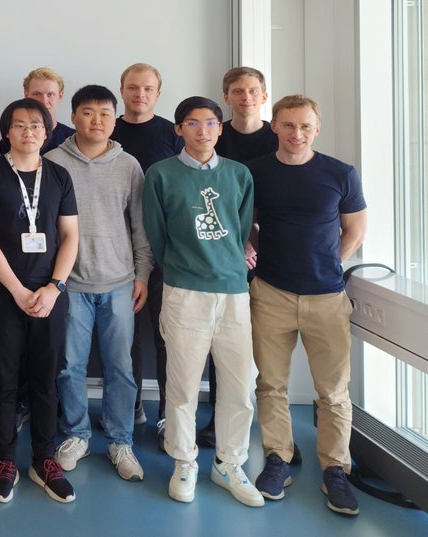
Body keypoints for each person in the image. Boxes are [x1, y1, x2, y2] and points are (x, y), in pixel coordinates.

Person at [248, 95, 366, 515]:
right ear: (275, 126)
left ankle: (336, 470)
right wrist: (260, 251)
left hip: (328, 298)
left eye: (304, 126)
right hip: (271, 294)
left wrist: (334, 259)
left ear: (317, 129)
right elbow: (250, 223)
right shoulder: (257, 171)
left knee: (333, 392)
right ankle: (277, 458)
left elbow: (355, 227)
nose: (296, 134)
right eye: (287, 125)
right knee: (271, 384)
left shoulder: (340, 173)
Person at [142, 96, 263, 507]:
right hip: (184, 290)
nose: (202, 131)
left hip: (232, 291)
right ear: (178, 129)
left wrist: (228, 266)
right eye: (192, 123)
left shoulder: (239, 175)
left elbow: (240, 230)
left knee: (239, 383)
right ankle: (185, 460)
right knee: (183, 385)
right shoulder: (160, 175)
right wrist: (182, 267)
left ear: (220, 128)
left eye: (210, 123)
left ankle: (229, 462)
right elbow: (157, 235)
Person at [0, 98, 78, 504]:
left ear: (47, 131)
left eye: (36, 125)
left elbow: (70, 236)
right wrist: (18, 291)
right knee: (3, 381)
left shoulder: (60, 176)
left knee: (45, 380)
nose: (28, 131)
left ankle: (44, 460)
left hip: (50, 296)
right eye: (19, 125)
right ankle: (5, 460)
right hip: (3, 295)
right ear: (7, 132)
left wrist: (54, 286)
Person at [45, 85, 151, 482]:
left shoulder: (129, 165)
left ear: (115, 118)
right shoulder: (53, 161)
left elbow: (140, 227)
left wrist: (142, 275)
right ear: (73, 117)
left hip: (120, 281)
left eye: (106, 114)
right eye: (88, 113)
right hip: (70, 283)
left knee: (120, 367)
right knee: (69, 365)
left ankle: (120, 440)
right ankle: (76, 434)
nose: (97, 121)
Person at [196, 66, 281, 451]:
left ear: (264, 96)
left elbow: (281, 201)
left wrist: (256, 244)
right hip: (223, 256)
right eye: (237, 91)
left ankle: (267, 426)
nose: (245, 97)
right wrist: (239, 243)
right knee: (222, 346)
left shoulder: (278, 136)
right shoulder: (214, 135)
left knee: (263, 347)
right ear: (225, 96)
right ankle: (219, 419)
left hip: (270, 257)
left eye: (253, 90)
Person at [111, 63, 184, 443]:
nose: (140, 94)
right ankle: (132, 404)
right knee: (126, 338)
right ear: (121, 90)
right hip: (115, 253)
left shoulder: (172, 133)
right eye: (133, 87)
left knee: (164, 335)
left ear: (158, 93)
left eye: (148, 88)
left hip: (164, 252)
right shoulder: (107, 128)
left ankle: (167, 414)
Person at [24, 67, 76, 154]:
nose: (44, 101)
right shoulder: (13, 139)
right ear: (26, 95)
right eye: (37, 94)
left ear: (60, 95)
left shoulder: (74, 139)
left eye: (50, 94)